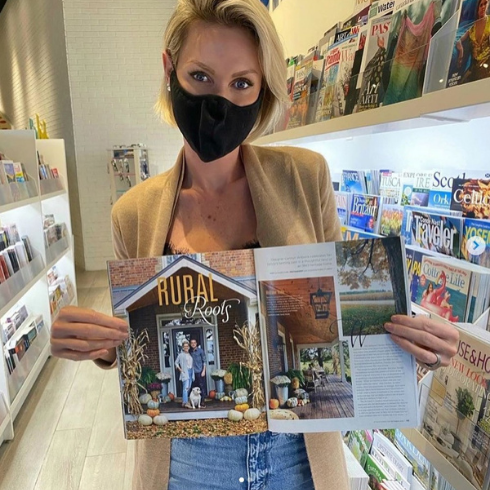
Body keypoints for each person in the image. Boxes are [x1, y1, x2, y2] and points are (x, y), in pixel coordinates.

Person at [50, 1, 460, 489]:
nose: (218, 101)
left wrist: (413, 345)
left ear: (263, 90)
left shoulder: (306, 179)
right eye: (200, 76)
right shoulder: (133, 214)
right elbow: (134, 338)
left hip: (300, 457)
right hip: (188, 462)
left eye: (241, 83)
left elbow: (343, 318)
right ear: (169, 70)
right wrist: (99, 343)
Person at [456, 0, 490, 83]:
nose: (483, 7)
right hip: (475, 68)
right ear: (477, 8)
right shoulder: (472, 28)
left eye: (485, 3)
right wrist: (461, 52)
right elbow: (459, 40)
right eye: (481, 5)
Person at [174, 340, 194, 408]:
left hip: (191, 372)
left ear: (189, 347)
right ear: (183, 347)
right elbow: (176, 362)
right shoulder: (181, 355)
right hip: (185, 372)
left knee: (188, 387)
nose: (186, 347)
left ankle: (184, 401)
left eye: (187, 346)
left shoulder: (190, 354)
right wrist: (180, 370)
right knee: (185, 388)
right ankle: (186, 402)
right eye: (184, 346)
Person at [190, 338, 207, 407]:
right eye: (192, 343)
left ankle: (202, 401)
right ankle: (194, 402)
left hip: (200, 371)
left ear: (196, 343)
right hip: (192, 373)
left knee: (201, 387)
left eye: (194, 342)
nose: (193, 344)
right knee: (193, 387)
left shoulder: (200, 351)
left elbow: (204, 361)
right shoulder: (190, 352)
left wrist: (204, 371)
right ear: (190, 344)